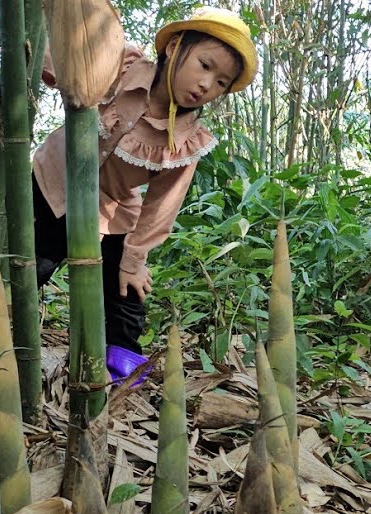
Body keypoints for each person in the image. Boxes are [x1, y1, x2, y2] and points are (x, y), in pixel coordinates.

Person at [32, 7, 257, 380]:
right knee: (29, 264)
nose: (206, 85)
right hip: (51, 184)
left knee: (128, 289)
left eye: (221, 83)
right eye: (204, 65)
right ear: (173, 46)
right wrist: (36, 46)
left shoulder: (186, 141)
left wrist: (134, 259)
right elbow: (68, 56)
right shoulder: (122, 67)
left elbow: (161, 207)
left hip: (111, 207)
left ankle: (122, 363)